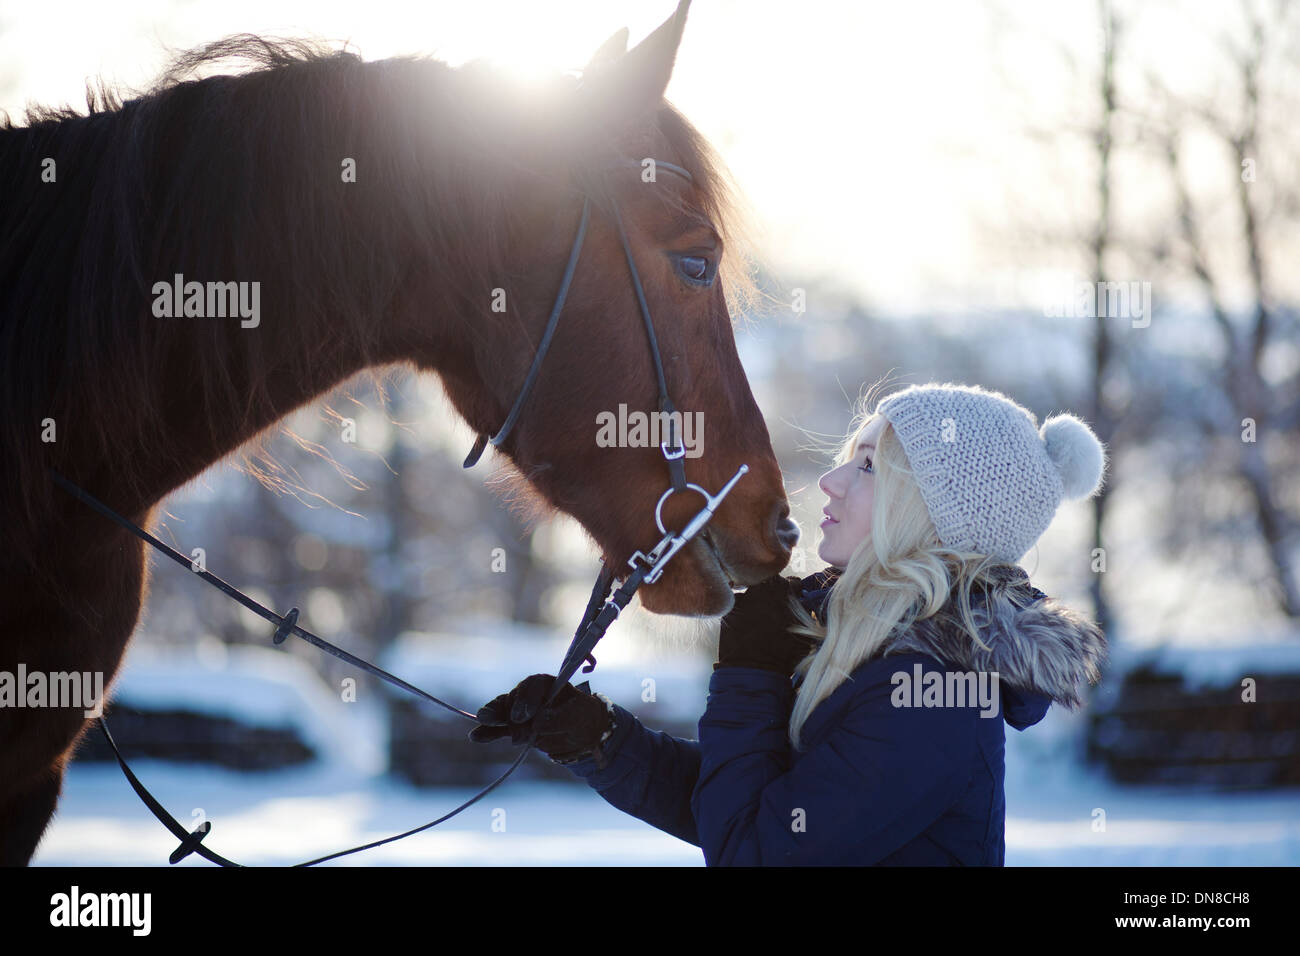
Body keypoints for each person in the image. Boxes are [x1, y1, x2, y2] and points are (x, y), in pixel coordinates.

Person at [470, 382, 1109, 865]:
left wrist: (750, 672)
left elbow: (753, 846)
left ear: (927, 512)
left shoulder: (932, 696)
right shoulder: (875, 653)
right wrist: (601, 739)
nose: (829, 482)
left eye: (866, 466)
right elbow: (755, 804)